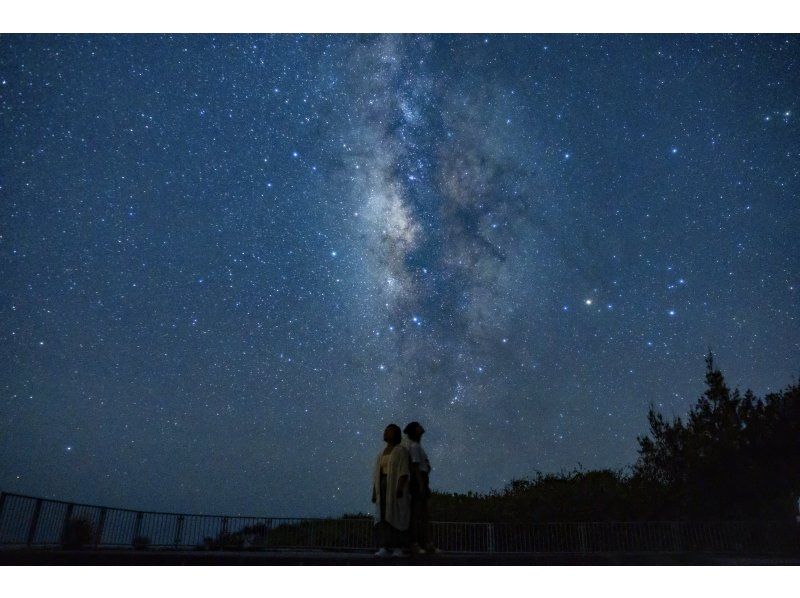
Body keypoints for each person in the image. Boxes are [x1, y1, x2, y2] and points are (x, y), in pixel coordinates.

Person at [371, 423, 411, 557]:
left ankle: (398, 547)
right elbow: (377, 474)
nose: (385, 432)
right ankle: (385, 546)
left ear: (395, 434)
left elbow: (404, 471)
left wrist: (399, 488)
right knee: (383, 516)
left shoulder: (401, 450)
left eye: (389, 431)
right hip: (382, 487)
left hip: (395, 485)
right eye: (385, 430)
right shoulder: (380, 453)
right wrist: (374, 492)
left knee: (396, 516)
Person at [402, 421, 438, 554]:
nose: (421, 428)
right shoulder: (415, 446)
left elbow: (423, 465)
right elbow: (415, 466)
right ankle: (415, 543)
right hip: (419, 480)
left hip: (422, 478)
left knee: (422, 513)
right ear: (415, 431)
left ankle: (425, 543)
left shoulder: (417, 446)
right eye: (418, 427)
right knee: (418, 513)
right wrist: (421, 484)